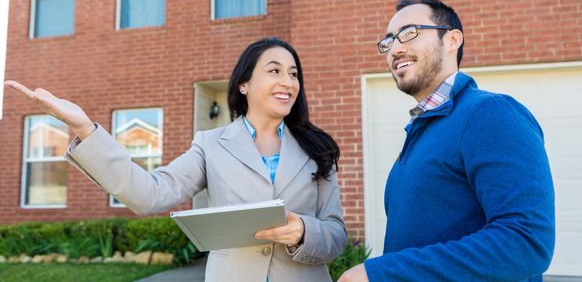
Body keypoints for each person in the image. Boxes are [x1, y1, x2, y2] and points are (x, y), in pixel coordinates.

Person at [5, 37, 347, 282]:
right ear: (244, 83)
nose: (287, 81)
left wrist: (304, 230)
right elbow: (150, 193)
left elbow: (336, 234)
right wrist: (85, 127)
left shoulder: (318, 149)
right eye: (274, 70)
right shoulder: (211, 145)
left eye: (293, 73)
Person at [339, 0, 554, 281]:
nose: (395, 48)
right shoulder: (422, 129)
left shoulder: (490, 114)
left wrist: (382, 274)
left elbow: (526, 242)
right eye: (389, 41)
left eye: (409, 33)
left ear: (452, 39)